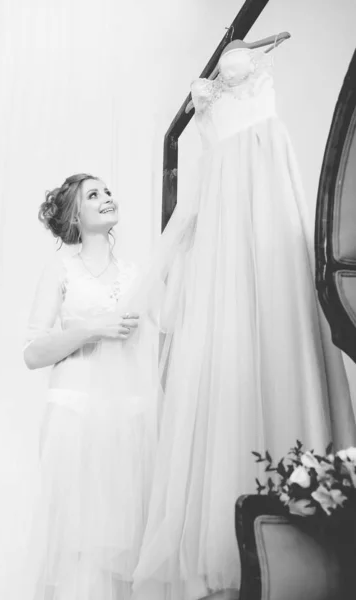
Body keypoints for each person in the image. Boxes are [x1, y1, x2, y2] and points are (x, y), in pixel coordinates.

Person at [131, 43, 356, 600]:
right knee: (238, 349)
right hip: (230, 218)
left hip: (263, 200)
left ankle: (299, 527)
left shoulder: (241, 83)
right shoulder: (221, 99)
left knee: (278, 326)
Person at [23, 173, 158, 600]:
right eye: (93, 195)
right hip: (73, 413)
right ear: (74, 215)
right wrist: (92, 329)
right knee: (74, 539)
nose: (107, 198)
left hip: (128, 417)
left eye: (109, 192)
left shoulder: (138, 273)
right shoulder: (61, 269)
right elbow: (32, 353)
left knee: (125, 536)